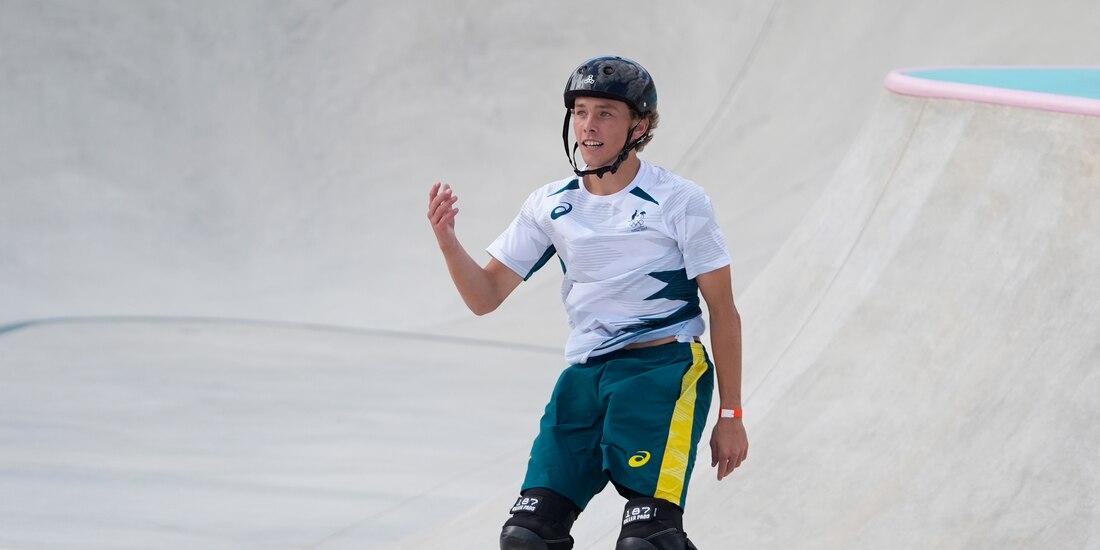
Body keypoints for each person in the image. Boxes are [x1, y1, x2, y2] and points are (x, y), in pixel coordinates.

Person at [427, 55, 748, 550]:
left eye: (605, 113)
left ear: (639, 126)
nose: (588, 126)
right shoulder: (550, 204)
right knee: (526, 537)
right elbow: (485, 297)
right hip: (584, 379)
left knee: (648, 542)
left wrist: (731, 415)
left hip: (663, 374)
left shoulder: (680, 200)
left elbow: (723, 310)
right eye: (579, 112)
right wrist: (448, 241)